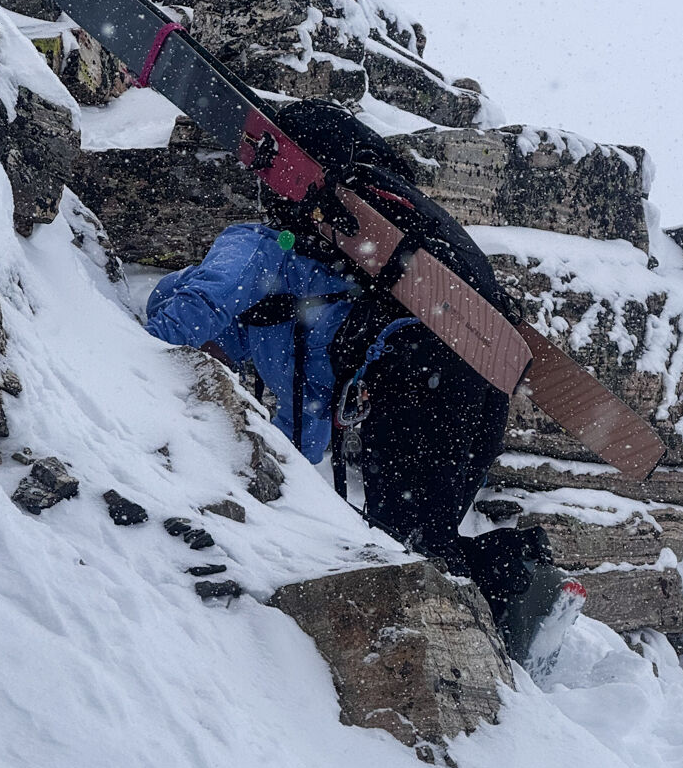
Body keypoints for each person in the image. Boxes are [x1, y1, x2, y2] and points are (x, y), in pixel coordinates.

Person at [145, 99, 577, 669]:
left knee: (407, 540)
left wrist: (143, 344)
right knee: (417, 538)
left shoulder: (252, 247)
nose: (207, 357)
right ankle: (526, 592)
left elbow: (193, 313)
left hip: (417, 364)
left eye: (207, 351)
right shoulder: (279, 346)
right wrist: (256, 492)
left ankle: (520, 590)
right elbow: (300, 442)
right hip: (469, 376)